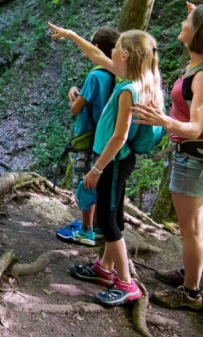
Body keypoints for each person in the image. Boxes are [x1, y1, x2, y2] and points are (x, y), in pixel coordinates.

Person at [48, 22, 164, 307]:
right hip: (117, 163)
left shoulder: (128, 90)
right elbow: (95, 56)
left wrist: (96, 169)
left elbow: (120, 136)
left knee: (107, 221)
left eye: (115, 48)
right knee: (114, 216)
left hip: (112, 163)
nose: (109, 52)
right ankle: (105, 268)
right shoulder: (140, 79)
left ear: (124, 55)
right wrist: (74, 35)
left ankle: (126, 283)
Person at [131, 2, 203, 311]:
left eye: (188, 20)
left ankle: (190, 294)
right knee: (195, 226)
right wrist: (201, 11)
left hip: (193, 159)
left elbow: (193, 128)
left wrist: (162, 120)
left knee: (190, 230)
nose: (182, 22)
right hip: (191, 157)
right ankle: (190, 274)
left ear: (200, 33)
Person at [55, 27, 120, 247]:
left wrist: (71, 95)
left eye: (91, 42)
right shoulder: (115, 73)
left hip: (87, 135)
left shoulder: (94, 75)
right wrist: (77, 88)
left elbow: (76, 109)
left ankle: (86, 229)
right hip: (105, 137)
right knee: (97, 181)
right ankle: (96, 225)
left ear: (98, 48)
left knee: (84, 182)